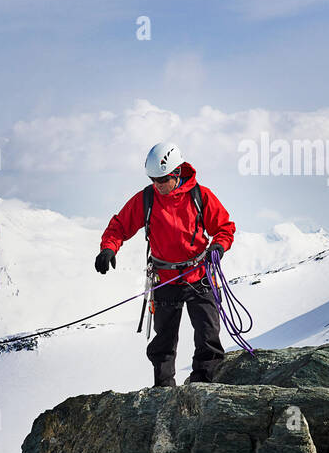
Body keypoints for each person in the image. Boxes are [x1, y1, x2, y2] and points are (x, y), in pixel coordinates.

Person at [94, 142, 236, 387]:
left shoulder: (201, 196)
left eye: (163, 179)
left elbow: (224, 227)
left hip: (199, 276)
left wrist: (219, 246)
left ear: (177, 173)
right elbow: (120, 225)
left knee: (208, 336)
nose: (158, 185)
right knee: (164, 342)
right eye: (153, 179)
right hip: (164, 278)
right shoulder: (147, 198)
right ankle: (163, 390)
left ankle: (203, 386)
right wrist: (108, 247)